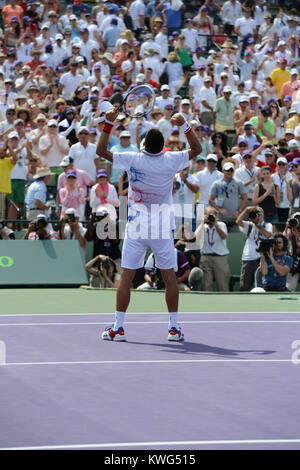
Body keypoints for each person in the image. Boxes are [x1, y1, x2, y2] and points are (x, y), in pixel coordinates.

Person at [96, 108, 201, 342]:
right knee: (169, 278)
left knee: (126, 276)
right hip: (162, 229)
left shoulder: (133, 158)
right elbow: (197, 149)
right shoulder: (172, 160)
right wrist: (184, 124)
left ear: (143, 146)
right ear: (161, 146)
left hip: (136, 228)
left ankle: (118, 327)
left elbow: (100, 150)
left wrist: (108, 123)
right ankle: (174, 328)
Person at [236, 206, 273, 291]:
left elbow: (268, 235)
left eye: (258, 214)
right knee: (244, 286)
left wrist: (258, 225)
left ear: (262, 215)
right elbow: (238, 221)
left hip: (261, 259)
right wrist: (246, 210)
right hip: (248, 258)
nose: (257, 217)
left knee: (261, 285)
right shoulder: (249, 225)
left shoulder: (267, 225)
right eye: (255, 215)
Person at [208, 161, 248, 232]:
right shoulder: (216, 184)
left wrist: (239, 211)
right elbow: (210, 200)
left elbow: (245, 198)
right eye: (227, 170)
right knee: (221, 238)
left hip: (234, 218)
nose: (229, 172)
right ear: (223, 171)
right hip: (221, 218)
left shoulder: (238, 183)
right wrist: (219, 210)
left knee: (235, 239)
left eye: (231, 170)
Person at [200, 207, 231, 292]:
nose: (209, 216)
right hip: (206, 257)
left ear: (216, 216)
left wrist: (215, 224)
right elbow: (196, 238)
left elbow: (223, 236)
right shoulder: (202, 226)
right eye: (207, 214)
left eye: (212, 214)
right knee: (206, 286)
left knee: (223, 286)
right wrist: (202, 223)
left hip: (220, 258)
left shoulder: (221, 225)